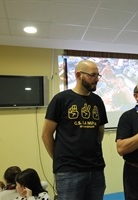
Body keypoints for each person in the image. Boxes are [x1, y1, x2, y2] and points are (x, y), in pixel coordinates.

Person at [42, 60, 108, 200]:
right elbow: (46, 135)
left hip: (96, 169)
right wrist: (60, 160)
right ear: (79, 75)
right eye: (92, 75)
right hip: (69, 172)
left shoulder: (98, 101)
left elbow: (99, 132)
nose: (96, 79)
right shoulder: (61, 99)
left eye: (98, 75)